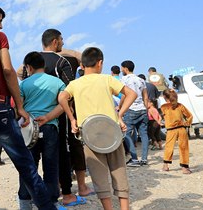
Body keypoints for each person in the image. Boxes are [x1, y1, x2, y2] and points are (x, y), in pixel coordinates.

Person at [0, 3, 65, 210]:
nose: (1, 26)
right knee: (25, 163)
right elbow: (7, 70)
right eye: (0, 21)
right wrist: (20, 106)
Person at [59, 47, 137, 210]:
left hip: (89, 135)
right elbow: (131, 94)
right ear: (100, 63)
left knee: (98, 174)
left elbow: (62, 97)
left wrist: (73, 120)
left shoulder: (74, 84)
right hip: (111, 133)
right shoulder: (107, 79)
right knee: (119, 171)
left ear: (82, 65)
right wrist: (119, 115)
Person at [37, 29, 91, 205]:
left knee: (42, 154)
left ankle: (49, 190)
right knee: (68, 150)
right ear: (54, 42)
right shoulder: (61, 61)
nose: (63, 43)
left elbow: (19, 71)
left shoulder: (33, 60)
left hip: (38, 116)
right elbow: (68, 92)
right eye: (61, 40)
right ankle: (73, 191)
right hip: (62, 114)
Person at [17, 52, 67, 210]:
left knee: (28, 167)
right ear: (43, 66)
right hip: (50, 127)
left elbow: (19, 107)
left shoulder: (24, 84)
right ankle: (52, 202)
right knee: (51, 166)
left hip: (29, 129)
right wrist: (48, 116)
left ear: (29, 67)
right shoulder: (57, 82)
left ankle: (25, 202)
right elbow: (64, 105)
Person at [120, 60, 150, 167]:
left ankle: (134, 159)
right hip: (142, 109)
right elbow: (145, 97)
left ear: (125, 68)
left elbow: (124, 95)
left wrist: (120, 107)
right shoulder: (141, 80)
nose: (121, 70)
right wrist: (145, 109)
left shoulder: (124, 79)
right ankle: (144, 158)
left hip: (131, 109)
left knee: (126, 133)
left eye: (122, 68)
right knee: (144, 134)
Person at [161, 89, 193, 174]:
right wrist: (186, 123)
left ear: (164, 97)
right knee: (184, 148)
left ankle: (166, 165)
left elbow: (161, 116)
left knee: (169, 147)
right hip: (182, 128)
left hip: (171, 130)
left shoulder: (164, 107)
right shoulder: (180, 106)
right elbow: (190, 116)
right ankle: (185, 168)